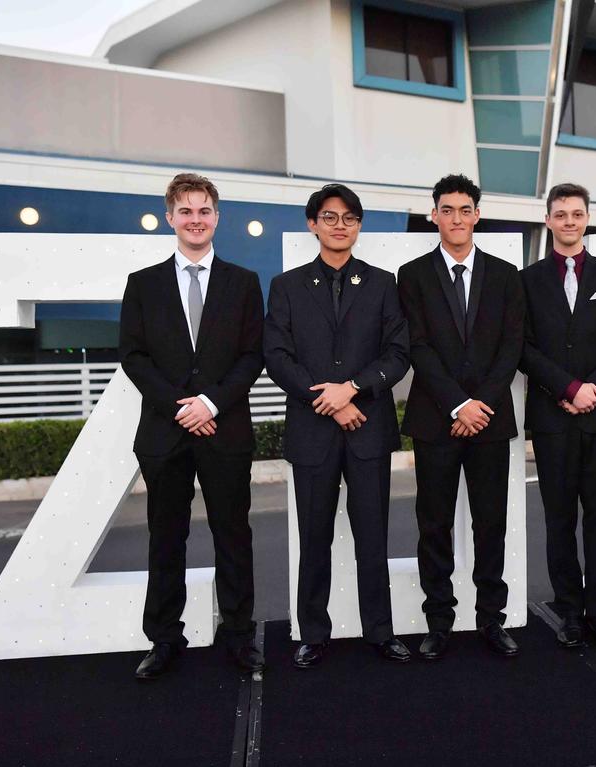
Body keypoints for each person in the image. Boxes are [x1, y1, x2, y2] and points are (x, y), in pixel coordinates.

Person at [119, 173, 265, 679]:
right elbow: (133, 357)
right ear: (170, 217)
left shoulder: (244, 283)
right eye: (186, 211)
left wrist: (210, 404)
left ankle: (241, 635)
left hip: (224, 430)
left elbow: (252, 357)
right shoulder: (143, 284)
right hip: (166, 433)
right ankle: (163, 638)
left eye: (204, 211)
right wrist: (183, 406)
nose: (195, 220)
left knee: (234, 536)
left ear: (216, 217)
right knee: (165, 539)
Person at [264, 183, 412, 668]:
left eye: (349, 217)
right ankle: (314, 632)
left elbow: (398, 353)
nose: (340, 225)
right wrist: (328, 398)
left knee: (374, 536)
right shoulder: (286, 286)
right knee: (315, 537)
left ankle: (381, 632)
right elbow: (277, 357)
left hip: (367, 426)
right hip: (313, 432)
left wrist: (352, 389)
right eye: (330, 217)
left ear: (359, 225)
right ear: (313, 224)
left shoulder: (382, 283)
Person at [397, 173, 525, 659]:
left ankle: (492, 619)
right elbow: (418, 347)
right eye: (446, 209)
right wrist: (457, 403)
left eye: (464, 209)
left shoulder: (506, 274)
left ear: (476, 214)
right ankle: (439, 621)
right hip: (436, 419)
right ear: (434, 215)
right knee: (434, 524)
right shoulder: (411, 276)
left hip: (490, 420)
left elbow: (511, 346)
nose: (455, 218)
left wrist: (480, 405)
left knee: (491, 522)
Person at [519, 183, 596, 647]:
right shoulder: (527, 281)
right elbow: (522, 348)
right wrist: (567, 388)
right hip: (552, 418)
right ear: (548, 220)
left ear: (587, 218)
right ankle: (568, 612)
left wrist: (593, 388)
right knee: (559, 518)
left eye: (577, 213)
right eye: (561, 214)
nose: (569, 221)